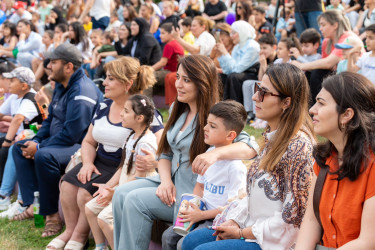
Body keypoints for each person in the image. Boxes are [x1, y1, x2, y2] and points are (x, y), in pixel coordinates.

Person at [112, 55, 259, 250]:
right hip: (168, 180)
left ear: (202, 83)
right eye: (178, 77)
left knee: (134, 201)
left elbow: (251, 148)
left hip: (192, 192)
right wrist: (165, 181)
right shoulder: (176, 108)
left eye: (187, 80)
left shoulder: (215, 116)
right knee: (120, 193)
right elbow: (165, 152)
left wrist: (213, 154)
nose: (179, 84)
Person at [182, 63, 315, 250]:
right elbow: (253, 196)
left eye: (263, 92)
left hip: (273, 241)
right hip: (252, 226)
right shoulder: (272, 137)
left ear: (287, 102)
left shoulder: (299, 147)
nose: (254, 97)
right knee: (190, 241)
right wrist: (235, 221)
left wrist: (241, 233)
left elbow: (292, 219)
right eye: (257, 88)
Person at [46, 56, 163, 250]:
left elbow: (159, 148)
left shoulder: (145, 112)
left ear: (127, 84)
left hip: (122, 166)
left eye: (110, 79)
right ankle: (69, 231)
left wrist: (153, 162)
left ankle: (80, 236)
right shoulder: (103, 106)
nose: (104, 83)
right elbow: (89, 141)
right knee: (67, 184)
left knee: (84, 193)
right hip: (97, 160)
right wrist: (87, 163)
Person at [12, 43, 102, 238]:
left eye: (53, 62)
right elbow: (50, 119)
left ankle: (52, 215)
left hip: (82, 147)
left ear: (69, 67)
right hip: (62, 143)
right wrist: (35, 140)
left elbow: (73, 134)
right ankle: (31, 205)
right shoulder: (63, 86)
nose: (48, 66)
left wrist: (40, 146)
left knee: (44, 155)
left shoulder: (82, 90)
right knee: (19, 148)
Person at [295, 72, 375, 249]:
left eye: (321, 103)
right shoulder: (325, 159)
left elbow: (369, 241)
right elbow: (311, 220)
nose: (312, 109)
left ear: (347, 114)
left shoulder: (372, 164)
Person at [162, 100, 248, 250]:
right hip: (200, 212)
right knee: (168, 236)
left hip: (218, 219)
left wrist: (201, 215)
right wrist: (193, 206)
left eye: (213, 126)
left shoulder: (235, 168)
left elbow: (232, 207)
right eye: (207, 123)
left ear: (230, 135)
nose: (205, 128)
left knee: (184, 243)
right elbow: (200, 186)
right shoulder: (208, 155)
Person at [85, 94, 158, 250]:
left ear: (139, 118)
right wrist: (108, 186)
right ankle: (100, 247)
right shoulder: (131, 136)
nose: (121, 114)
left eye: (125, 111)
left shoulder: (146, 143)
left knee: (104, 218)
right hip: (121, 189)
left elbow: (140, 179)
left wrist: (115, 192)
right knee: (90, 208)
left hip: (133, 192)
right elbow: (123, 167)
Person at [291, 10, 354, 102]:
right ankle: (309, 102)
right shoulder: (326, 42)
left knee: (316, 72)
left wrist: (301, 65)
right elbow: (326, 65)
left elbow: (328, 63)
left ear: (335, 25)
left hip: (353, 78)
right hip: (337, 75)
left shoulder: (348, 37)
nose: (320, 28)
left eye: (323, 25)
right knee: (312, 72)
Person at [216, 20, 260, 105]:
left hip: (252, 74)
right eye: (231, 33)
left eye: (234, 33)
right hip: (240, 73)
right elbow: (228, 70)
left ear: (242, 32)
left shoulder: (252, 47)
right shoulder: (237, 47)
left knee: (233, 77)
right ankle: (222, 104)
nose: (231, 36)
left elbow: (237, 69)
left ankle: (235, 106)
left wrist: (225, 52)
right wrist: (221, 54)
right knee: (221, 76)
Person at [152, 23, 184, 88]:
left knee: (147, 76)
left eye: (163, 33)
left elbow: (162, 63)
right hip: (177, 71)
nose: (160, 36)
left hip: (171, 72)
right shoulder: (176, 42)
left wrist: (149, 69)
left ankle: (146, 97)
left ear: (171, 34)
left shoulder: (169, 45)